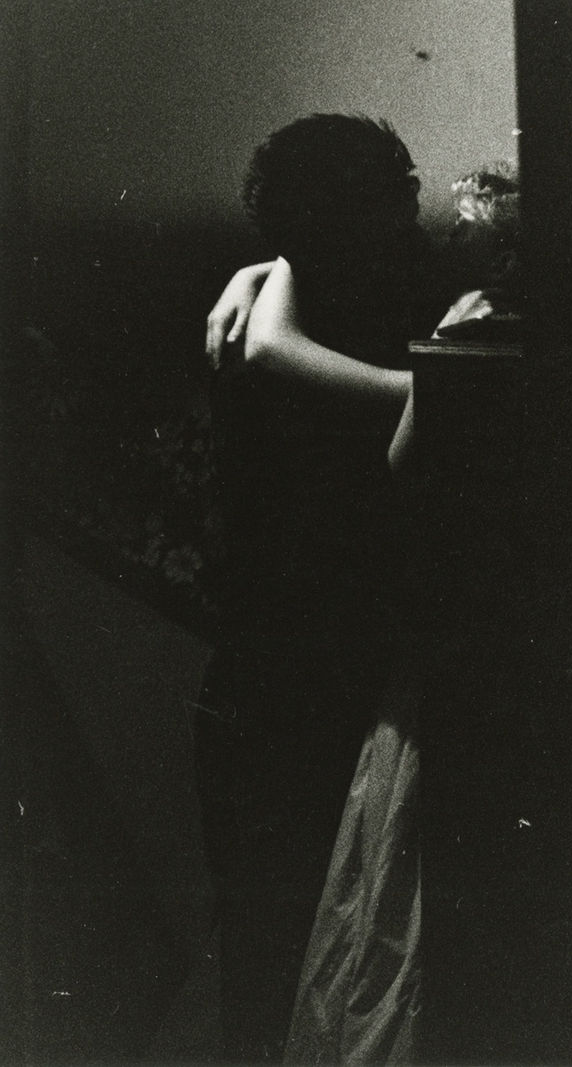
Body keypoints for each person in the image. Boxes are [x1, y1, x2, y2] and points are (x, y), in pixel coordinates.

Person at [195, 113, 443, 1061]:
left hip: (259, 691)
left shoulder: (272, 312)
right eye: (396, 192)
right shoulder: (293, 340)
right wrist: (417, 389)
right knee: (306, 966)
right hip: (298, 701)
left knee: (276, 964)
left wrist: (264, 274)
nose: (414, 211)